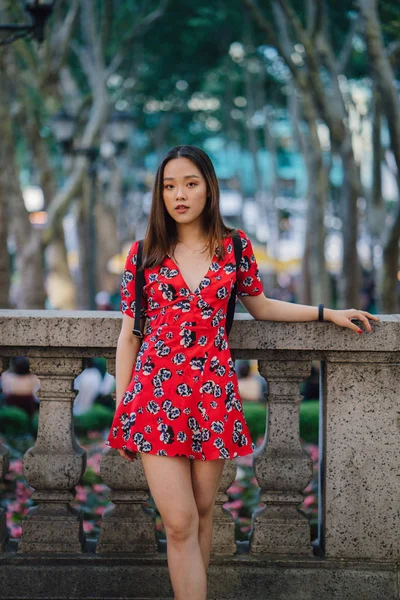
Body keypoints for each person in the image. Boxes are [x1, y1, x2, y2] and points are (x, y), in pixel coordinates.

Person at [105, 145, 379, 600]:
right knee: (179, 522)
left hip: (211, 394)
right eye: (170, 186)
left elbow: (262, 304)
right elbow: (128, 336)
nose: (180, 195)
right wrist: (121, 411)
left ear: (209, 188)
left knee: (205, 510)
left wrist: (325, 313)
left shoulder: (235, 246)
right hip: (154, 400)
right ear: (160, 194)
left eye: (190, 183)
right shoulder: (144, 254)